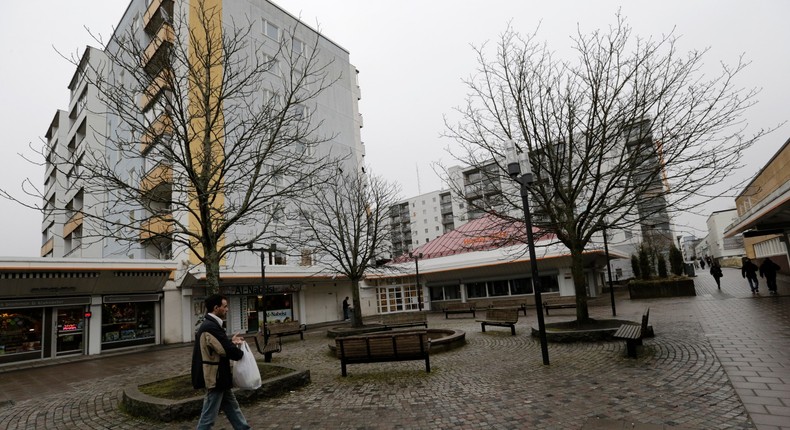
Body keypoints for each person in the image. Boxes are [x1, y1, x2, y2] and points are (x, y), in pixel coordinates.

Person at [191, 294, 251, 430]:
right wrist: (241, 353)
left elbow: (216, 346)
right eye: (224, 306)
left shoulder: (211, 325)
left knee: (232, 407)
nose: (227, 309)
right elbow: (224, 349)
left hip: (219, 376)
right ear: (216, 308)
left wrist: (231, 342)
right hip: (214, 377)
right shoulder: (210, 327)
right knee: (208, 417)